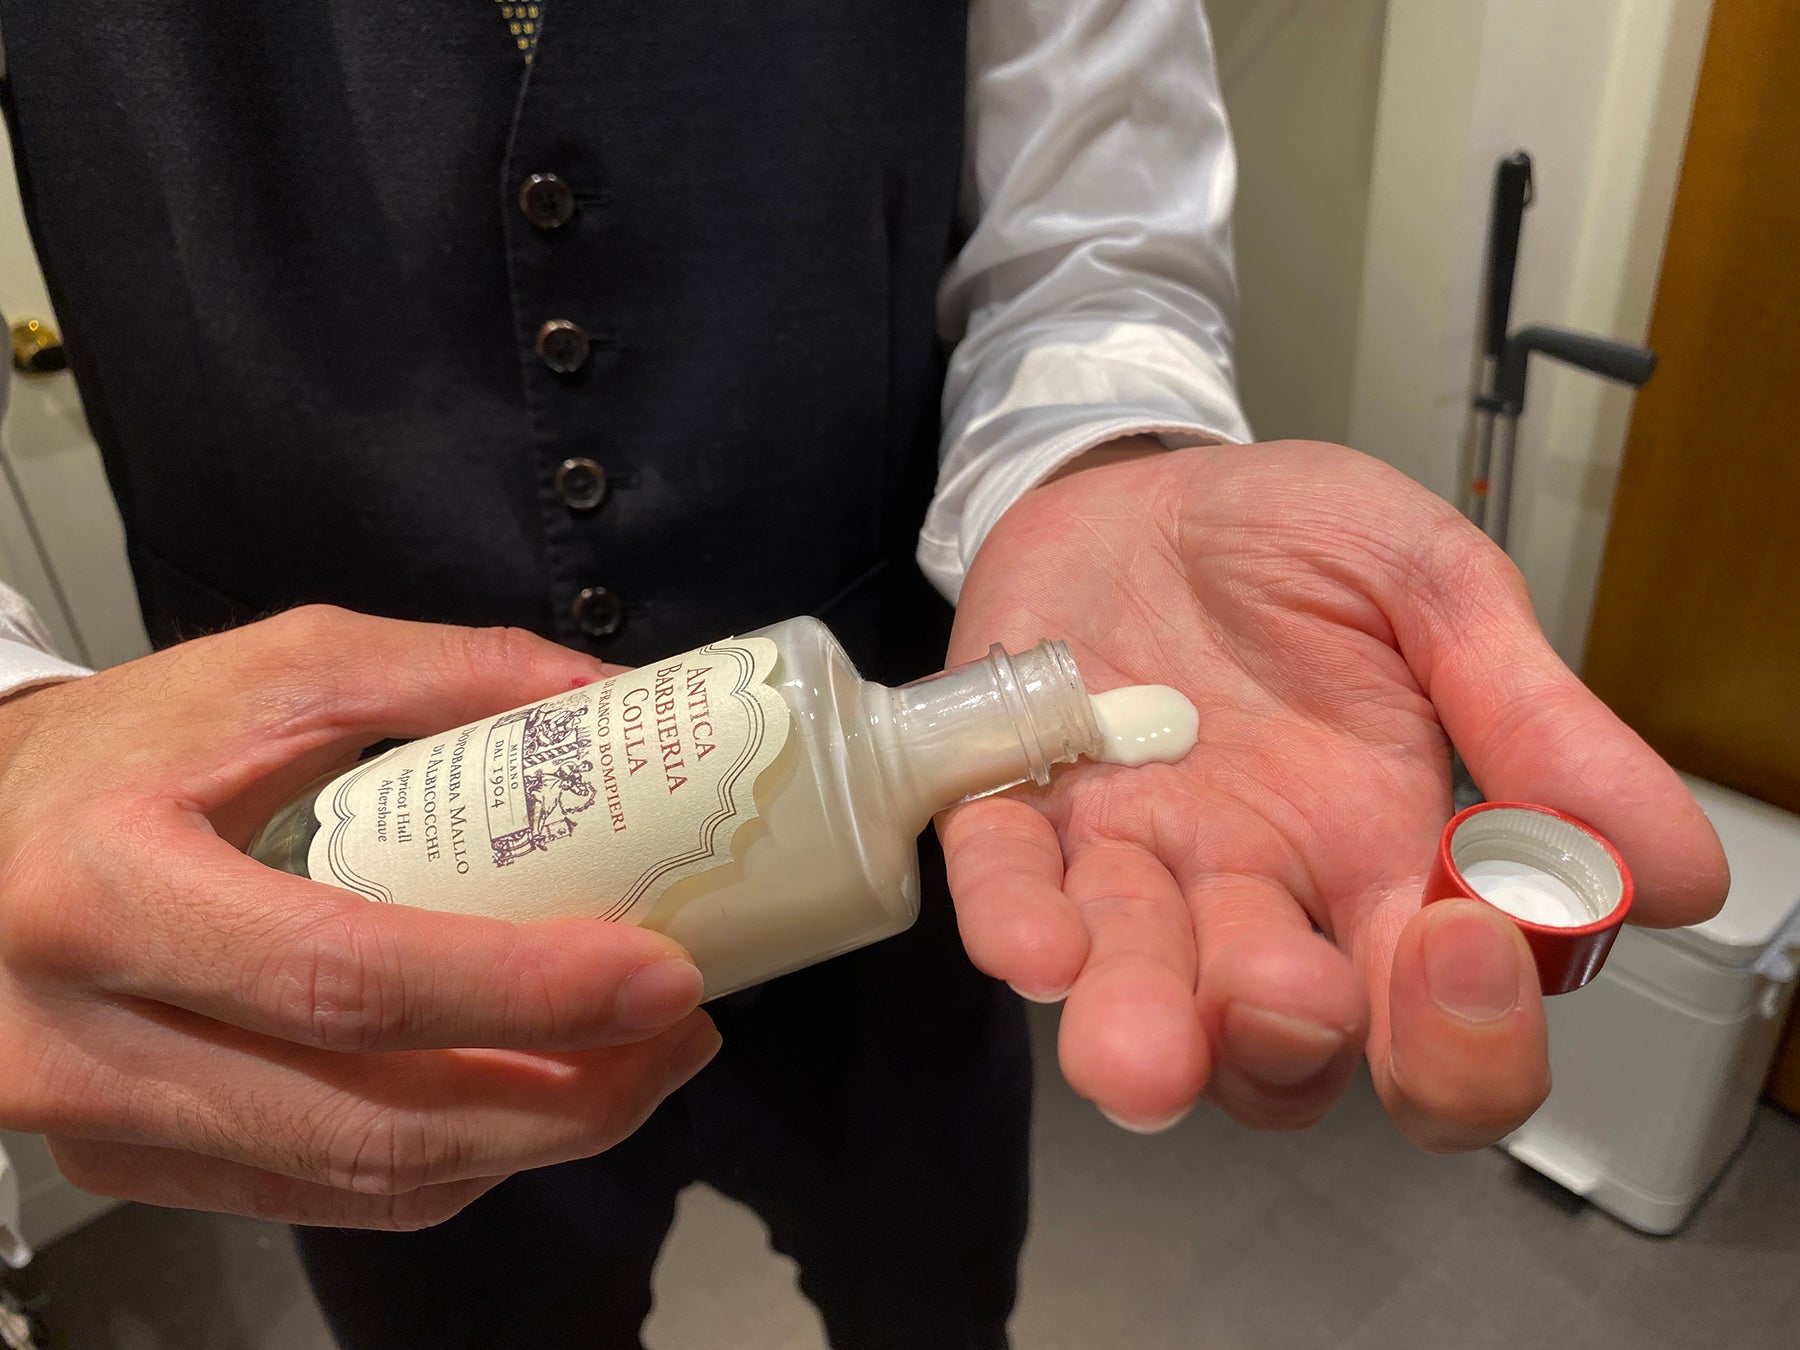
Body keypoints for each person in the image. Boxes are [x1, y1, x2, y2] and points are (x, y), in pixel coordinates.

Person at [0, 3, 1726, 1348]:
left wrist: (1103, 459)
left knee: (936, 1300)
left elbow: (1088, 233)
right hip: (352, 913)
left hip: (915, 888)